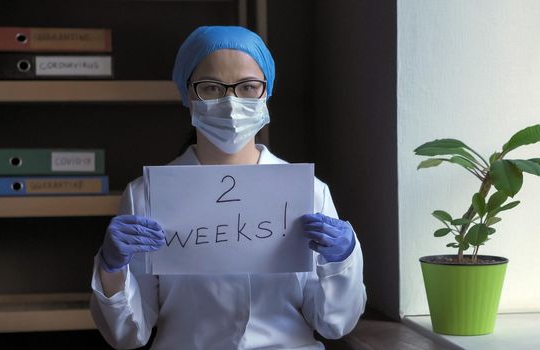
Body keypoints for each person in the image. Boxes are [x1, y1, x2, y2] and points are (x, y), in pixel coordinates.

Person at [90, 26, 366, 349]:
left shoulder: (309, 191)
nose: (231, 102)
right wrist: (112, 270)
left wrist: (343, 260)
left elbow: (334, 324)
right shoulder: (146, 196)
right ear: (187, 93)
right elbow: (128, 334)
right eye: (211, 88)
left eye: (248, 87)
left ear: (267, 92)